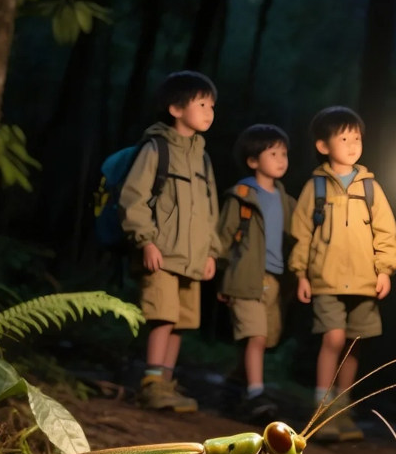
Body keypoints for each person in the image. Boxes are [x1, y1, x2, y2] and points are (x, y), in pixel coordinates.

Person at [289, 106, 396, 441]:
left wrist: (385, 270)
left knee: (354, 342)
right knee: (333, 338)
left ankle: (343, 409)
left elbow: (386, 233)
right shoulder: (317, 187)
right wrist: (301, 274)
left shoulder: (370, 187)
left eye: (357, 137)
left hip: (365, 280)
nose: (352, 144)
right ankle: (321, 410)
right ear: (324, 146)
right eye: (343, 138)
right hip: (326, 278)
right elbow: (301, 233)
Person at [119, 70, 221, 412]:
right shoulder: (156, 148)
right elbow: (133, 198)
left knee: (180, 321)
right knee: (162, 316)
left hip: (191, 258)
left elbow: (210, 210)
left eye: (212, 105)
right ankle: (150, 382)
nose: (209, 111)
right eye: (202, 103)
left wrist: (211, 252)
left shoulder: (203, 158)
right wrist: (145, 241)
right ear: (176, 108)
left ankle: (166, 381)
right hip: (161, 254)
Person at [216, 124, 297, 425]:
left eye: (284, 153)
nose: (280, 159)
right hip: (244, 278)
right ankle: (255, 395)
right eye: (272, 153)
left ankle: (233, 388)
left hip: (275, 282)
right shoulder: (242, 195)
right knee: (256, 336)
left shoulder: (288, 201)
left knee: (261, 340)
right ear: (253, 161)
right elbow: (224, 237)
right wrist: (221, 275)